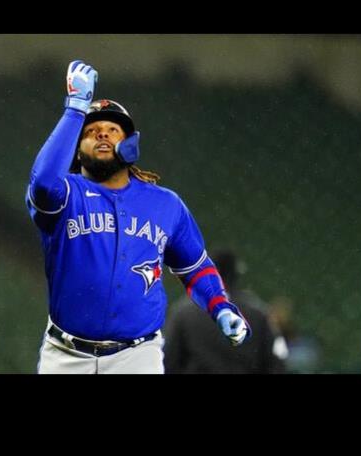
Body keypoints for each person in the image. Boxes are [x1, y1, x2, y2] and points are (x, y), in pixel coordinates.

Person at [27, 60, 250, 374]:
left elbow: (196, 268)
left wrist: (220, 306)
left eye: (112, 130)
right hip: (66, 356)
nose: (102, 135)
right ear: (77, 151)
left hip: (137, 357)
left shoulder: (166, 204)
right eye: (90, 132)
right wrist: (74, 109)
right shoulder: (66, 194)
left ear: (130, 144)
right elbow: (42, 183)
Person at [164, 250, 288, 374]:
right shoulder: (258, 313)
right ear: (236, 274)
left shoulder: (184, 313)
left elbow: (168, 360)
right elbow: (276, 363)